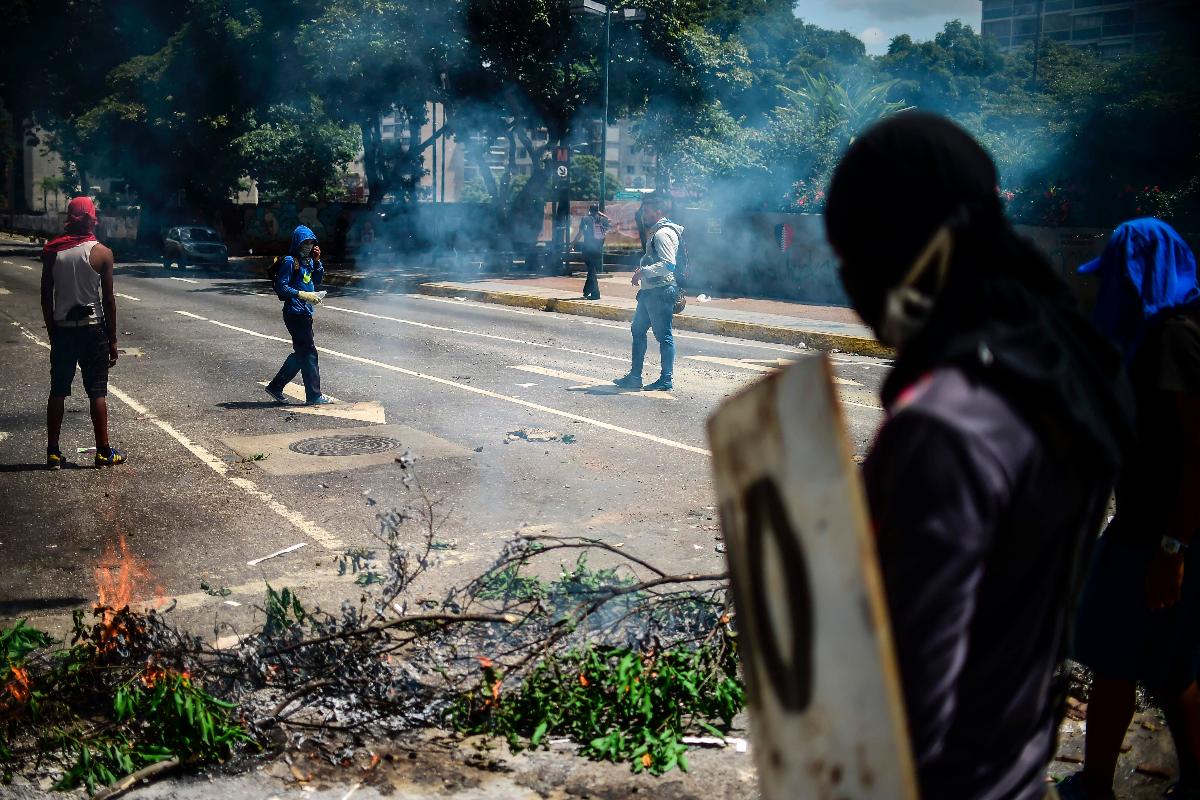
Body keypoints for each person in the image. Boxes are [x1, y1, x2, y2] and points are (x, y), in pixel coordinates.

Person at [823, 112, 1134, 799]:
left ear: (912, 250)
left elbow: (899, 719)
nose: (851, 285)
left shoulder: (945, 427)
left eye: (857, 254)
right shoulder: (1055, 380)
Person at [1057, 219, 1200, 800]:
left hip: (1159, 536)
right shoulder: (1153, 336)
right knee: (1164, 666)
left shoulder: (1173, 337)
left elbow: (1197, 454)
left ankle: (1095, 784)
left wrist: (1173, 548)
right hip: (1147, 529)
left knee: (1123, 660)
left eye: (1115, 276)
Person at [40, 196, 126, 468]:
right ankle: (103, 452)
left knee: (58, 391)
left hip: (64, 331)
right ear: (92, 218)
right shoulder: (102, 253)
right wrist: (112, 340)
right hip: (94, 331)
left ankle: (53, 451)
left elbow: (45, 296)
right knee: (97, 392)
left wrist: (53, 332)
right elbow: (109, 301)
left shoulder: (53, 251)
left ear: (69, 217)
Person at [613, 195, 682, 392]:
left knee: (664, 336)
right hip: (650, 292)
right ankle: (635, 377)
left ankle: (666, 380)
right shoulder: (658, 231)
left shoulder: (662, 234)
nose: (643, 215)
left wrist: (643, 272)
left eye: (646, 211)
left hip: (660, 292)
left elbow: (669, 264)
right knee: (637, 329)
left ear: (658, 211)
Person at [264, 225, 332, 405]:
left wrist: (317, 262)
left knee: (302, 353)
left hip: (305, 311)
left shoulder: (308, 262)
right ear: (298, 243)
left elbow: (316, 281)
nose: (309, 246)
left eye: (311, 243)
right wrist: (302, 295)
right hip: (295, 313)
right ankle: (314, 395)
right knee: (309, 353)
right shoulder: (289, 261)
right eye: (305, 243)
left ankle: (276, 386)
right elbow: (282, 287)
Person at [572, 203, 609, 300]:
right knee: (592, 270)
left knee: (591, 270)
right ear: (598, 211)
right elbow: (608, 226)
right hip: (598, 249)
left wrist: (572, 244)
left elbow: (580, 234)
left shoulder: (585, 219)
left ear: (589, 210)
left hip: (588, 248)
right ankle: (586, 290)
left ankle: (595, 293)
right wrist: (602, 215)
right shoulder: (604, 220)